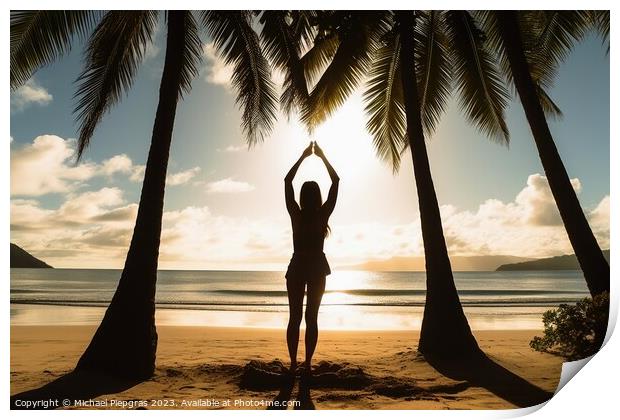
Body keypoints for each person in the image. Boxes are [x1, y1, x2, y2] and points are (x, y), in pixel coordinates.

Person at [284, 141, 339, 377]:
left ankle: (295, 364)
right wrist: (323, 157)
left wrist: (303, 156)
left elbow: (287, 182)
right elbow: (336, 182)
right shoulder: (321, 215)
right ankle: (306, 364)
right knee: (311, 318)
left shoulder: (296, 215)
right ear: (317, 197)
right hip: (316, 267)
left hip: (298, 267)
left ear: (302, 197)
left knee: (295, 317)